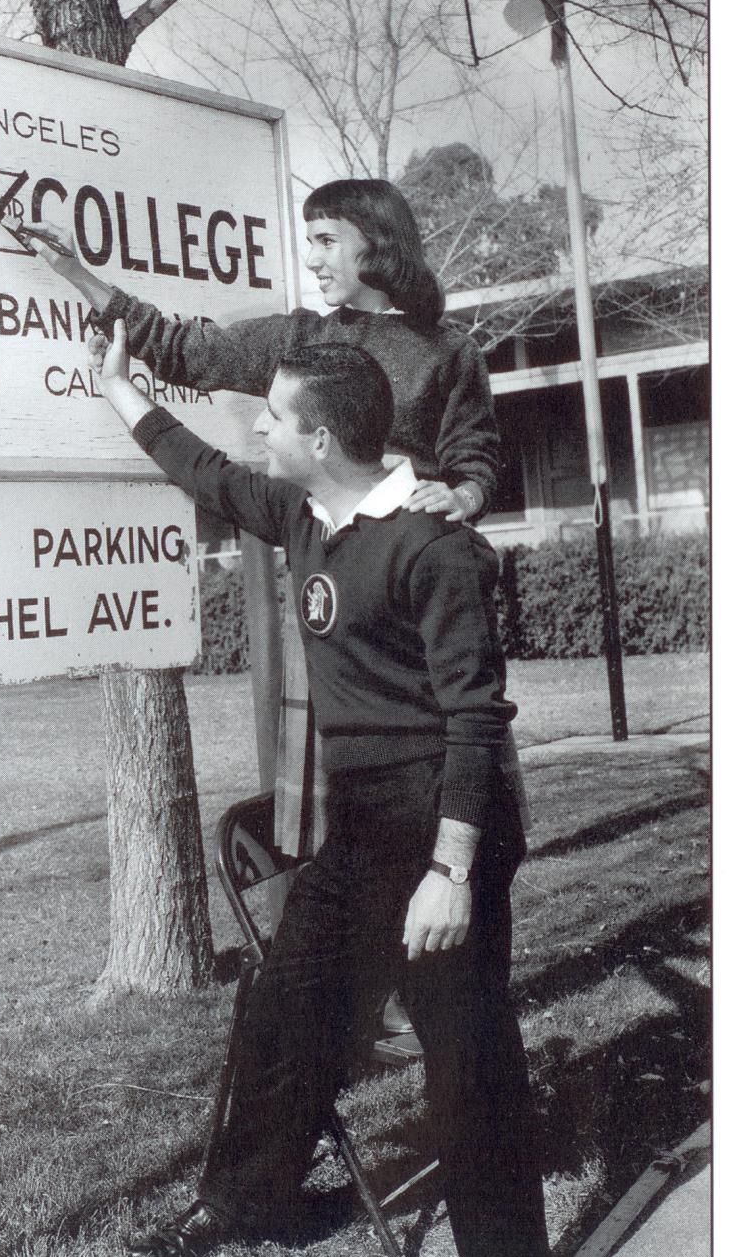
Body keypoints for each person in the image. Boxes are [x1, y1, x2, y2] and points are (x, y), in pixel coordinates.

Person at [85, 319, 557, 1257]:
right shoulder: (307, 516)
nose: (258, 426)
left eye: (275, 416)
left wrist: (451, 871)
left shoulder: (435, 549)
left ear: (325, 441)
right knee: (280, 1003)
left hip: (444, 824)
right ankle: (247, 1196)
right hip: (360, 826)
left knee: (463, 1052)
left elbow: (474, 717)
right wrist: (118, 390)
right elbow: (206, 472)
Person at [26, 178, 510, 1041]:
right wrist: (78, 274)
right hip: (330, 605)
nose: (313, 258)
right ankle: (351, 1007)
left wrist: (461, 497)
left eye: (327, 239)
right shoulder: (298, 338)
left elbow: (475, 458)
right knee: (330, 829)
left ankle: (441, 986)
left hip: (413, 612)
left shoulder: (448, 351)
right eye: (309, 240)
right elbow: (185, 349)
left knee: (447, 801)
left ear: (376, 243)